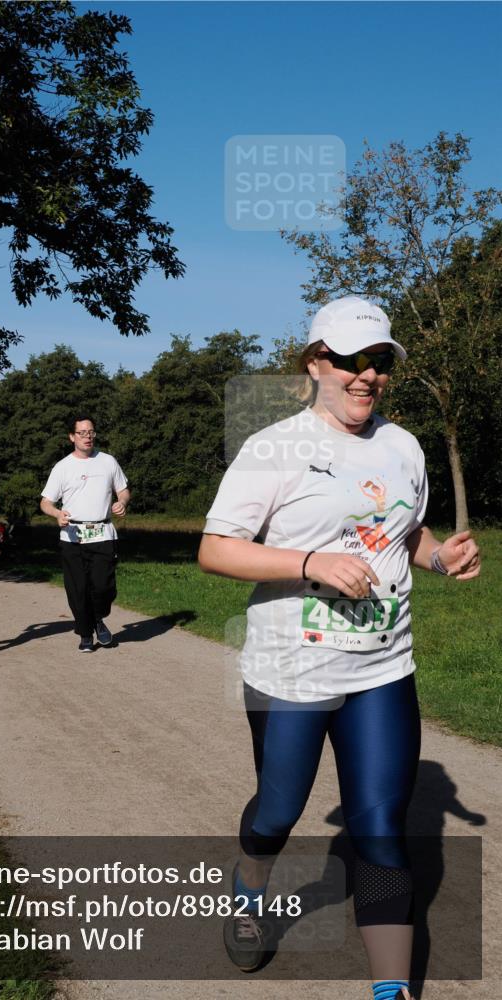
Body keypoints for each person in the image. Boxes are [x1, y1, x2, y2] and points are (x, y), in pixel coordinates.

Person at [198, 295, 480, 1000]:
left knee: (381, 827)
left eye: (379, 362)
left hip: (384, 664)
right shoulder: (275, 448)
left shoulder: (403, 445)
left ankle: (392, 991)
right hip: (292, 668)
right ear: (314, 364)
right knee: (277, 812)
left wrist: (439, 556)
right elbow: (214, 549)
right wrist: (308, 563)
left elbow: (400, 531)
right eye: (349, 360)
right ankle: (251, 884)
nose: (366, 375)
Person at [40, 416, 130, 652]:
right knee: (78, 588)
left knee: (103, 587)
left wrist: (122, 502)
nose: (87, 436)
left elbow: (123, 490)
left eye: (91, 432)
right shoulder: (62, 467)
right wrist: (57, 514)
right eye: (81, 433)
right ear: (72, 437)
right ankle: (86, 633)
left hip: (103, 533)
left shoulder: (108, 461)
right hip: (72, 536)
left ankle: (98, 617)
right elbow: (45, 502)